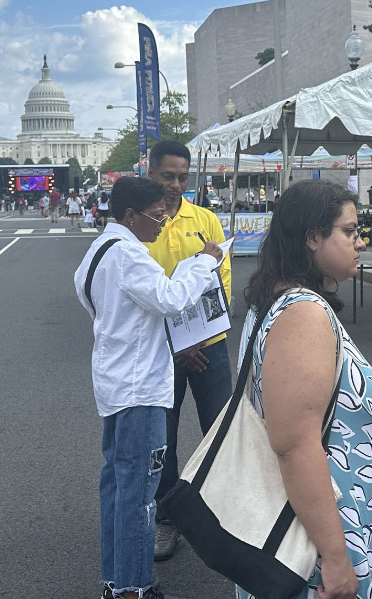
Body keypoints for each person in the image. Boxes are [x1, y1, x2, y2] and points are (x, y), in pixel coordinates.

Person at [235, 179, 372, 599]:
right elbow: (295, 446)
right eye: (349, 232)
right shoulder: (303, 314)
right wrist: (336, 559)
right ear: (312, 237)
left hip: (313, 529)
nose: (360, 242)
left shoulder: (276, 303)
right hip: (326, 542)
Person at [74, 177, 222, 599]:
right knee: (140, 494)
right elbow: (172, 298)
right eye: (157, 217)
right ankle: (135, 588)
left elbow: (86, 296)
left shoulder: (99, 251)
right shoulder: (128, 255)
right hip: (141, 388)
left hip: (116, 381)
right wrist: (204, 262)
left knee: (118, 488)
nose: (162, 224)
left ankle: (116, 580)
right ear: (130, 216)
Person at [145, 139, 233, 561]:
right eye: (168, 176)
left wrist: (197, 338)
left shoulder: (206, 220)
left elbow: (221, 282)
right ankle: (167, 518)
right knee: (163, 435)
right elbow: (145, 294)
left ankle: (226, 508)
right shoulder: (141, 226)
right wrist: (176, 344)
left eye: (183, 177)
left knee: (221, 428)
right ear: (151, 174)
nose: (176, 184)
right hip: (160, 352)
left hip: (209, 347)